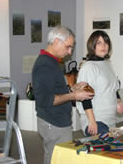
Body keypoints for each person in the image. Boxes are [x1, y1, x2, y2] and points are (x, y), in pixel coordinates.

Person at [32, 26, 94, 164]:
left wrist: (72, 88)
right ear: (56, 42)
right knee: (56, 158)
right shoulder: (44, 65)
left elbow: (54, 90)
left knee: (59, 157)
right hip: (53, 122)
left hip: (58, 121)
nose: (70, 52)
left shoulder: (53, 62)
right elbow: (46, 100)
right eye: (68, 47)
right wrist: (74, 96)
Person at [76, 30, 123, 136]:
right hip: (96, 121)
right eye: (99, 43)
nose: (103, 46)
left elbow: (112, 87)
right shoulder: (89, 67)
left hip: (110, 120)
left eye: (106, 43)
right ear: (92, 45)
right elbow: (85, 97)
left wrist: (118, 101)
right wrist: (92, 122)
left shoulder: (107, 64)